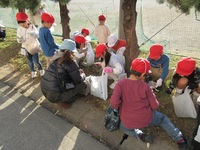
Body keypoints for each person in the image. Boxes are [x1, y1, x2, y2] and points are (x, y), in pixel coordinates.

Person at [110, 58, 188, 150]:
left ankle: (140, 135)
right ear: (143, 74)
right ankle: (179, 139)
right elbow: (155, 106)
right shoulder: (146, 87)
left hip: (127, 119)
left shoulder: (120, 84)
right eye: (146, 74)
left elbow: (114, 103)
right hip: (146, 118)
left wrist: (116, 110)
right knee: (163, 119)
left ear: (131, 68)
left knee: (124, 127)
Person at [40, 39, 89, 108]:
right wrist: (83, 74)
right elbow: (79, 80)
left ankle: (63, 98)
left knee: (69, 83)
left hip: (44, 90)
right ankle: (66, 100)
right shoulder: (69, 62)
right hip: (55, 96)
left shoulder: (55, 58)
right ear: (72, 52)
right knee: (83, 84)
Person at [16, 12, 44, 78]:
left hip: (34, 46)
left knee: (36, 61)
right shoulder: (19, 29)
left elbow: (38, 35)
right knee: (30, 61)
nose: (22, 24)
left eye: (23, 22)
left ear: (27, 20)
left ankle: (41, 69)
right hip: (26, 47)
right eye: (20, 23)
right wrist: (20, 40)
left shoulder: (32, 27)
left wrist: (33, 34)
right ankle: (33, 71)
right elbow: (18, 38)